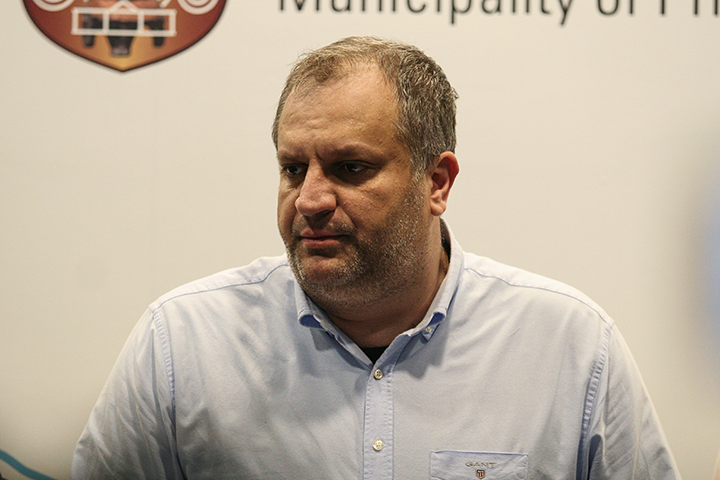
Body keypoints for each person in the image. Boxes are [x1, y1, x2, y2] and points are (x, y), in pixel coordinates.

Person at [71, 36, 680, 479]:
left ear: (436, 182)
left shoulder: (570, 348)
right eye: (293, 169)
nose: (309, 199)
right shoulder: (182, 344)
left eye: (350, 168)